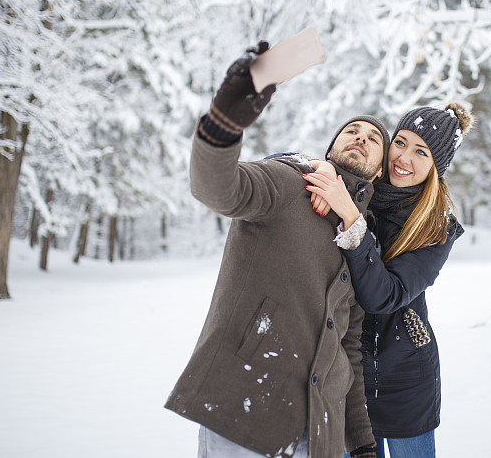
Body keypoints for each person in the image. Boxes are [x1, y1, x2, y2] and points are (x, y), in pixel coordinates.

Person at [165, 41, 390, 458]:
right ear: (330, 150)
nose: (361, 137)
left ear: (379, 170)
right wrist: (222, 126)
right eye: (351, 131)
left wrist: (359, 440)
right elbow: (219, 189)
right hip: (245, 406)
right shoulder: (289, 182)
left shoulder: (362, 241)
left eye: (373, 138)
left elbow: (350, 346)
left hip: (319, 432)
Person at [302, 103, 473, 457]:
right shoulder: (365, 186)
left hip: (406, 379)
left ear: (435, 167)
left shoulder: (436, 227)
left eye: (421, 152)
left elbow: (384, 296)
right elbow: (284, 163)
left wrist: (350, 216)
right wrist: (320, 167)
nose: (403, 158)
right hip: (348, 373)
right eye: (401, 142)